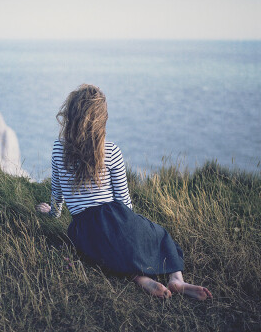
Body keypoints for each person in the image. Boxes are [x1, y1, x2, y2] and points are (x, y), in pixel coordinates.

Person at [36, 84, 212, 300]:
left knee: (105, 255)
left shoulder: (58, 148)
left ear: (70, 115)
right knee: (161, 236)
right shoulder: (110, 151)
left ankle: (140, 279)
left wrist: (52, 212)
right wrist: (133, 227)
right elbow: (124, 201)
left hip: (82, 228)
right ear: (102, 120)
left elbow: (57, 191)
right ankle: (177, 279)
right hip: (116, 217)